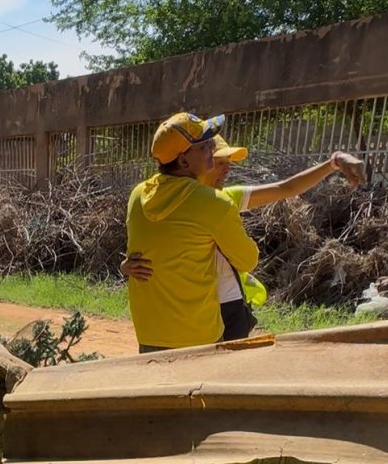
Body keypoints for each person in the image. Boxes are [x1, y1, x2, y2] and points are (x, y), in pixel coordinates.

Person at [122, 135, 366, 340]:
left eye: (228, 162)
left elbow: (287, 188)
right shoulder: (172, 204)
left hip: (228, 307)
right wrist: (125, 265)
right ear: (195, 163)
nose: (227, 168)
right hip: (187, 314)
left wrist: (332, 163)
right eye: (218, 162)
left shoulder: (226, 198)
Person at [125, 112, 260, 352]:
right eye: (204, 146)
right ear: (184, 161)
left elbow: (139, 258)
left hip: (149, 334)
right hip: (198, 338)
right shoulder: (215, 204)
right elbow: (247, 260)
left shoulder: (137, 196)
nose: (212, 148)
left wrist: (124, 266)